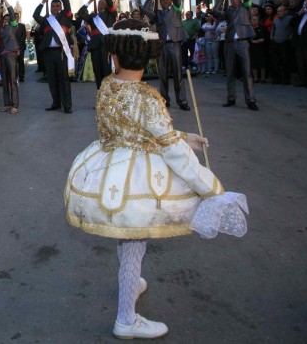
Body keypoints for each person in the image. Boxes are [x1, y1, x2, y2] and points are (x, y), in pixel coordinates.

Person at [63, 19, 247, 340]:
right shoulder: (147, 96)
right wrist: (210, 187)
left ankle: (129, 285)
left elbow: (140, 129)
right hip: (138, 180)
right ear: (149, 56)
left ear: (115, 56)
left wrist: (183, 135)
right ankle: (126, 319)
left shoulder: (107, 84)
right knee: (135, 243)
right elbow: (169, 147)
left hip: (109, 169)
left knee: (127, 239)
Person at [143, 0, 191, 110]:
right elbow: (145, 9)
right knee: (162, 75)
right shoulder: (157, 14)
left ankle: (182, 101)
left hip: (174, 45)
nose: (165, 1)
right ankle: (164, 100)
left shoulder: (176, 10)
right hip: (161, 46)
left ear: (171, 1)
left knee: (177, 75)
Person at [212, 0, 258, 110]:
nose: (234, 1)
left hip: (243, 43)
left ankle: (251, 100)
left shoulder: (246, 7)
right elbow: (215, 12)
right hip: (229, 43)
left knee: (247, 72)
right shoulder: (228, 11)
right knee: (230, 72)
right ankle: (231, 98)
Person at [33, 0, 73, 113]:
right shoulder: (46, 20)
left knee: (64, 79)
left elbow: (66, 1)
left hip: (61, 53)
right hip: (48, 53)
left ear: (60, 7)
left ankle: (67, 105)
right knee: (52, 80)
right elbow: (35, 15)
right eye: (53, 6)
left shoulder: (66, 17)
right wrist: (42, 2)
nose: (55, 8)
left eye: (57, 6)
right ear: (50, 8)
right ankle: (56, 103)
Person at [83, 0, 118, 89]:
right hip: (95, 47)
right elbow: (80, 13)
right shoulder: (93, 17)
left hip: (106, 46)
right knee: (97, 73)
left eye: (101, 3)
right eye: (98, 3)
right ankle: (100, 98)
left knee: (107, 72)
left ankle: (108, 99)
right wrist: (90, 1)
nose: (99, 5)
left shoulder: (111, 14)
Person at [0, 0, 19, 114]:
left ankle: (15, 105)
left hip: (11, 54)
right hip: (2, 55)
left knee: (12, 79)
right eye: (4, 19)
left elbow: (12, 13)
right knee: (5, 80)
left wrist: (5, 1)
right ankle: (7, 104)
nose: (6, 20)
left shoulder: (13, 26)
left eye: (8, 19)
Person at [249, 15, 269, 83]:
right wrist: (253, 41)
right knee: (253, 63)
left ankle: (263, 78)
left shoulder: (263, 28)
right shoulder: (249, 29)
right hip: (252, 48)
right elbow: (247, 38)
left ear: (259, 20)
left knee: (262, 64)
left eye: (256, 19)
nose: (254, 20)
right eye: (253, 19)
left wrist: (257, 41)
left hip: (261, 48)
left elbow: (265, 38)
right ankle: (255, 78)